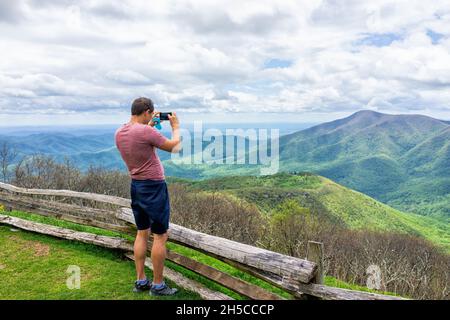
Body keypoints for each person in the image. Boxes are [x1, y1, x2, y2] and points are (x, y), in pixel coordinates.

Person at [115, 97, 181, 296]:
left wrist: (149, 125)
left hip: (136, 186)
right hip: (154, 187)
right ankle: (158, 285)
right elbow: (174, 147)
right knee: (160, 235)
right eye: (151, 114)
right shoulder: (145, 131)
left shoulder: (120, 132)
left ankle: (141, 280)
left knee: (142, 232)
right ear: (146, 112)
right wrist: (176, 126)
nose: (152, 116)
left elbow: (139, 141)